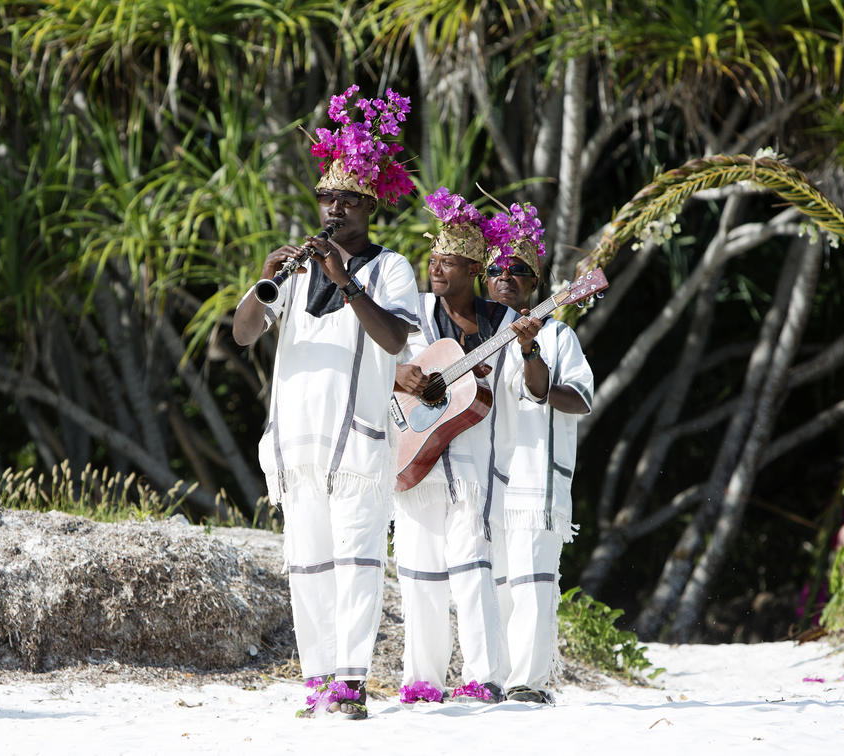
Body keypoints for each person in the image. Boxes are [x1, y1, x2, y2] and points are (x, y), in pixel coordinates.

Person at [232, 85, 419, 720]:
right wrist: (265, 279)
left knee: (357, 560)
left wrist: (347, 284)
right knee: (307, 566)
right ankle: (316, 678)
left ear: (369, 206)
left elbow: (395, 340)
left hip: (360, 442)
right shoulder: (296, 268)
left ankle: (351, 681)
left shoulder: (391, 269)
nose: (332, 207)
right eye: (324, 197)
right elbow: (243, 333)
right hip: (298, 445)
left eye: (344, 199)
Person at [391, 188, 523, 704]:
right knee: (420, 572)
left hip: (474, 467)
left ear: (474, 269)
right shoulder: (415, 312)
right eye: (433, 258)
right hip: (414, 451)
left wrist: (525, 351)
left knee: (473, 570)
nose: (436, 268)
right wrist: (402, 378)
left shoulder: (505, 323)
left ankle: (483, 677)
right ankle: (422, 680)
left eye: (449, 261)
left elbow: (524, 391)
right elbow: (384, 367)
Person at [483, 204, 594, 704]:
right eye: (496, 270)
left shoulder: (557, 334)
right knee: (491, 586)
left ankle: (528, 683)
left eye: (518, 271)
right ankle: (489, 678)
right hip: (482, 480)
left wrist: (533, 358)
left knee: (532, 585)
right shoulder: (473, 333)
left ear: (535, 282)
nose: (506, 278)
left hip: (533, 481)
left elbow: (581, 398)